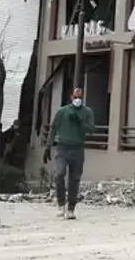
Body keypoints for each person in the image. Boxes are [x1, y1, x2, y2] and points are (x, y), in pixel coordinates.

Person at [49, 87, 94, 220]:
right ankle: (61, 204)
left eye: (79, 97)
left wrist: (80, 122)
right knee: (59, 174)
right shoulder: (62, 111)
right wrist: (48, 145)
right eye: (75, 97)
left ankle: (71, 208)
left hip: (78, 148)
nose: (77, 100)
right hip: (62, 147)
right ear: (71, 97)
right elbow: (54, 127)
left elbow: (91, 129)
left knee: (74, 179)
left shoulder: (87, 112)